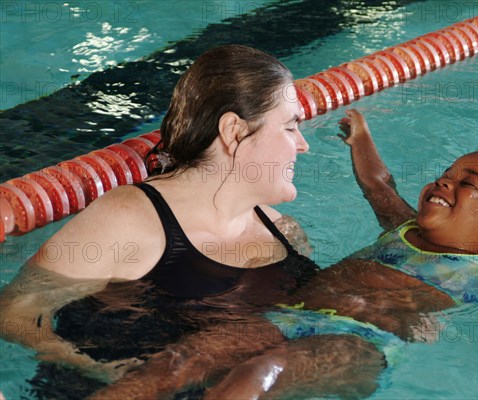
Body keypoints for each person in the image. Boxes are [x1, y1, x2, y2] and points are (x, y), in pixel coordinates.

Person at [86, 109, 478, 399]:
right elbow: (378, 183)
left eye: (469, 183)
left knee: (260, 376)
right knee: (180, 359)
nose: (446, 180)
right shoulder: (402, 227)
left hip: (359, 343)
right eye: (448, 171)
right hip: (290, 316)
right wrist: (363, 137)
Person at [0, 45, 329, 386]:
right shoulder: (130, 219)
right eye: (290, 127)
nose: (303, 144)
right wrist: (96, 369)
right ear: (234, 131)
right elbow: (17, 311)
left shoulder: (286, 234)